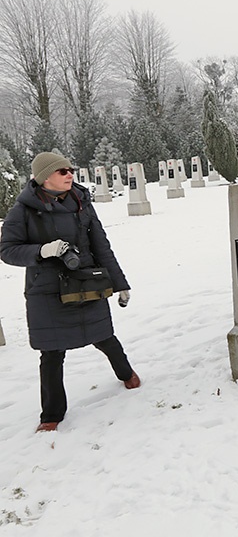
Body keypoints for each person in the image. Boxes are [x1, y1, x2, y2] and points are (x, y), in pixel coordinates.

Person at [0, 152, 139, 432]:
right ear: (44, 178)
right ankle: (51, 414)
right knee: (52, 353)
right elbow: (7, 250)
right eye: (61, 171)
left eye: (70, 169)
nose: (69, 174)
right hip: (47, 291)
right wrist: (41, 251)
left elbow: (101, 246)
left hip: (87, 281)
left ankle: (127, 373)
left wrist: (120, 283)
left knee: (104, 336)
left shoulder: (82, 202)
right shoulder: (23, 210)